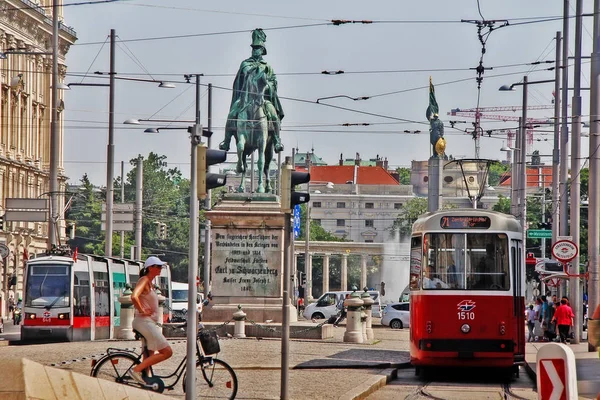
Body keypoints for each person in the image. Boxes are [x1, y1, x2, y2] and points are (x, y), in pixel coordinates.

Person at [220, 28, 284, 154]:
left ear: (262, 50)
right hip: (245, 99)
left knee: (273, 115)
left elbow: (273, 82)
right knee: (232, 113)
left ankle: (277, 140)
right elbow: (238, 82)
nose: (255, 50)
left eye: (258, 48)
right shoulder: (244, 64)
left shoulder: (267, 67)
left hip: (262, 99)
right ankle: (226, 141)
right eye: (254, 48)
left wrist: (268, 86)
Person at [129, 256, 173, 384]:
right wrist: (142, 310)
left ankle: (145, 381)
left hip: (149, 322)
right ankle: (136, 370)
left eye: (161, 266)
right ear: (150, 268)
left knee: (149, 355)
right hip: (144, 322)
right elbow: (134, 296)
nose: (160, 269)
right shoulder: (144, 280)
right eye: (158, 266)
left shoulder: (151, 283)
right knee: (167, 352)